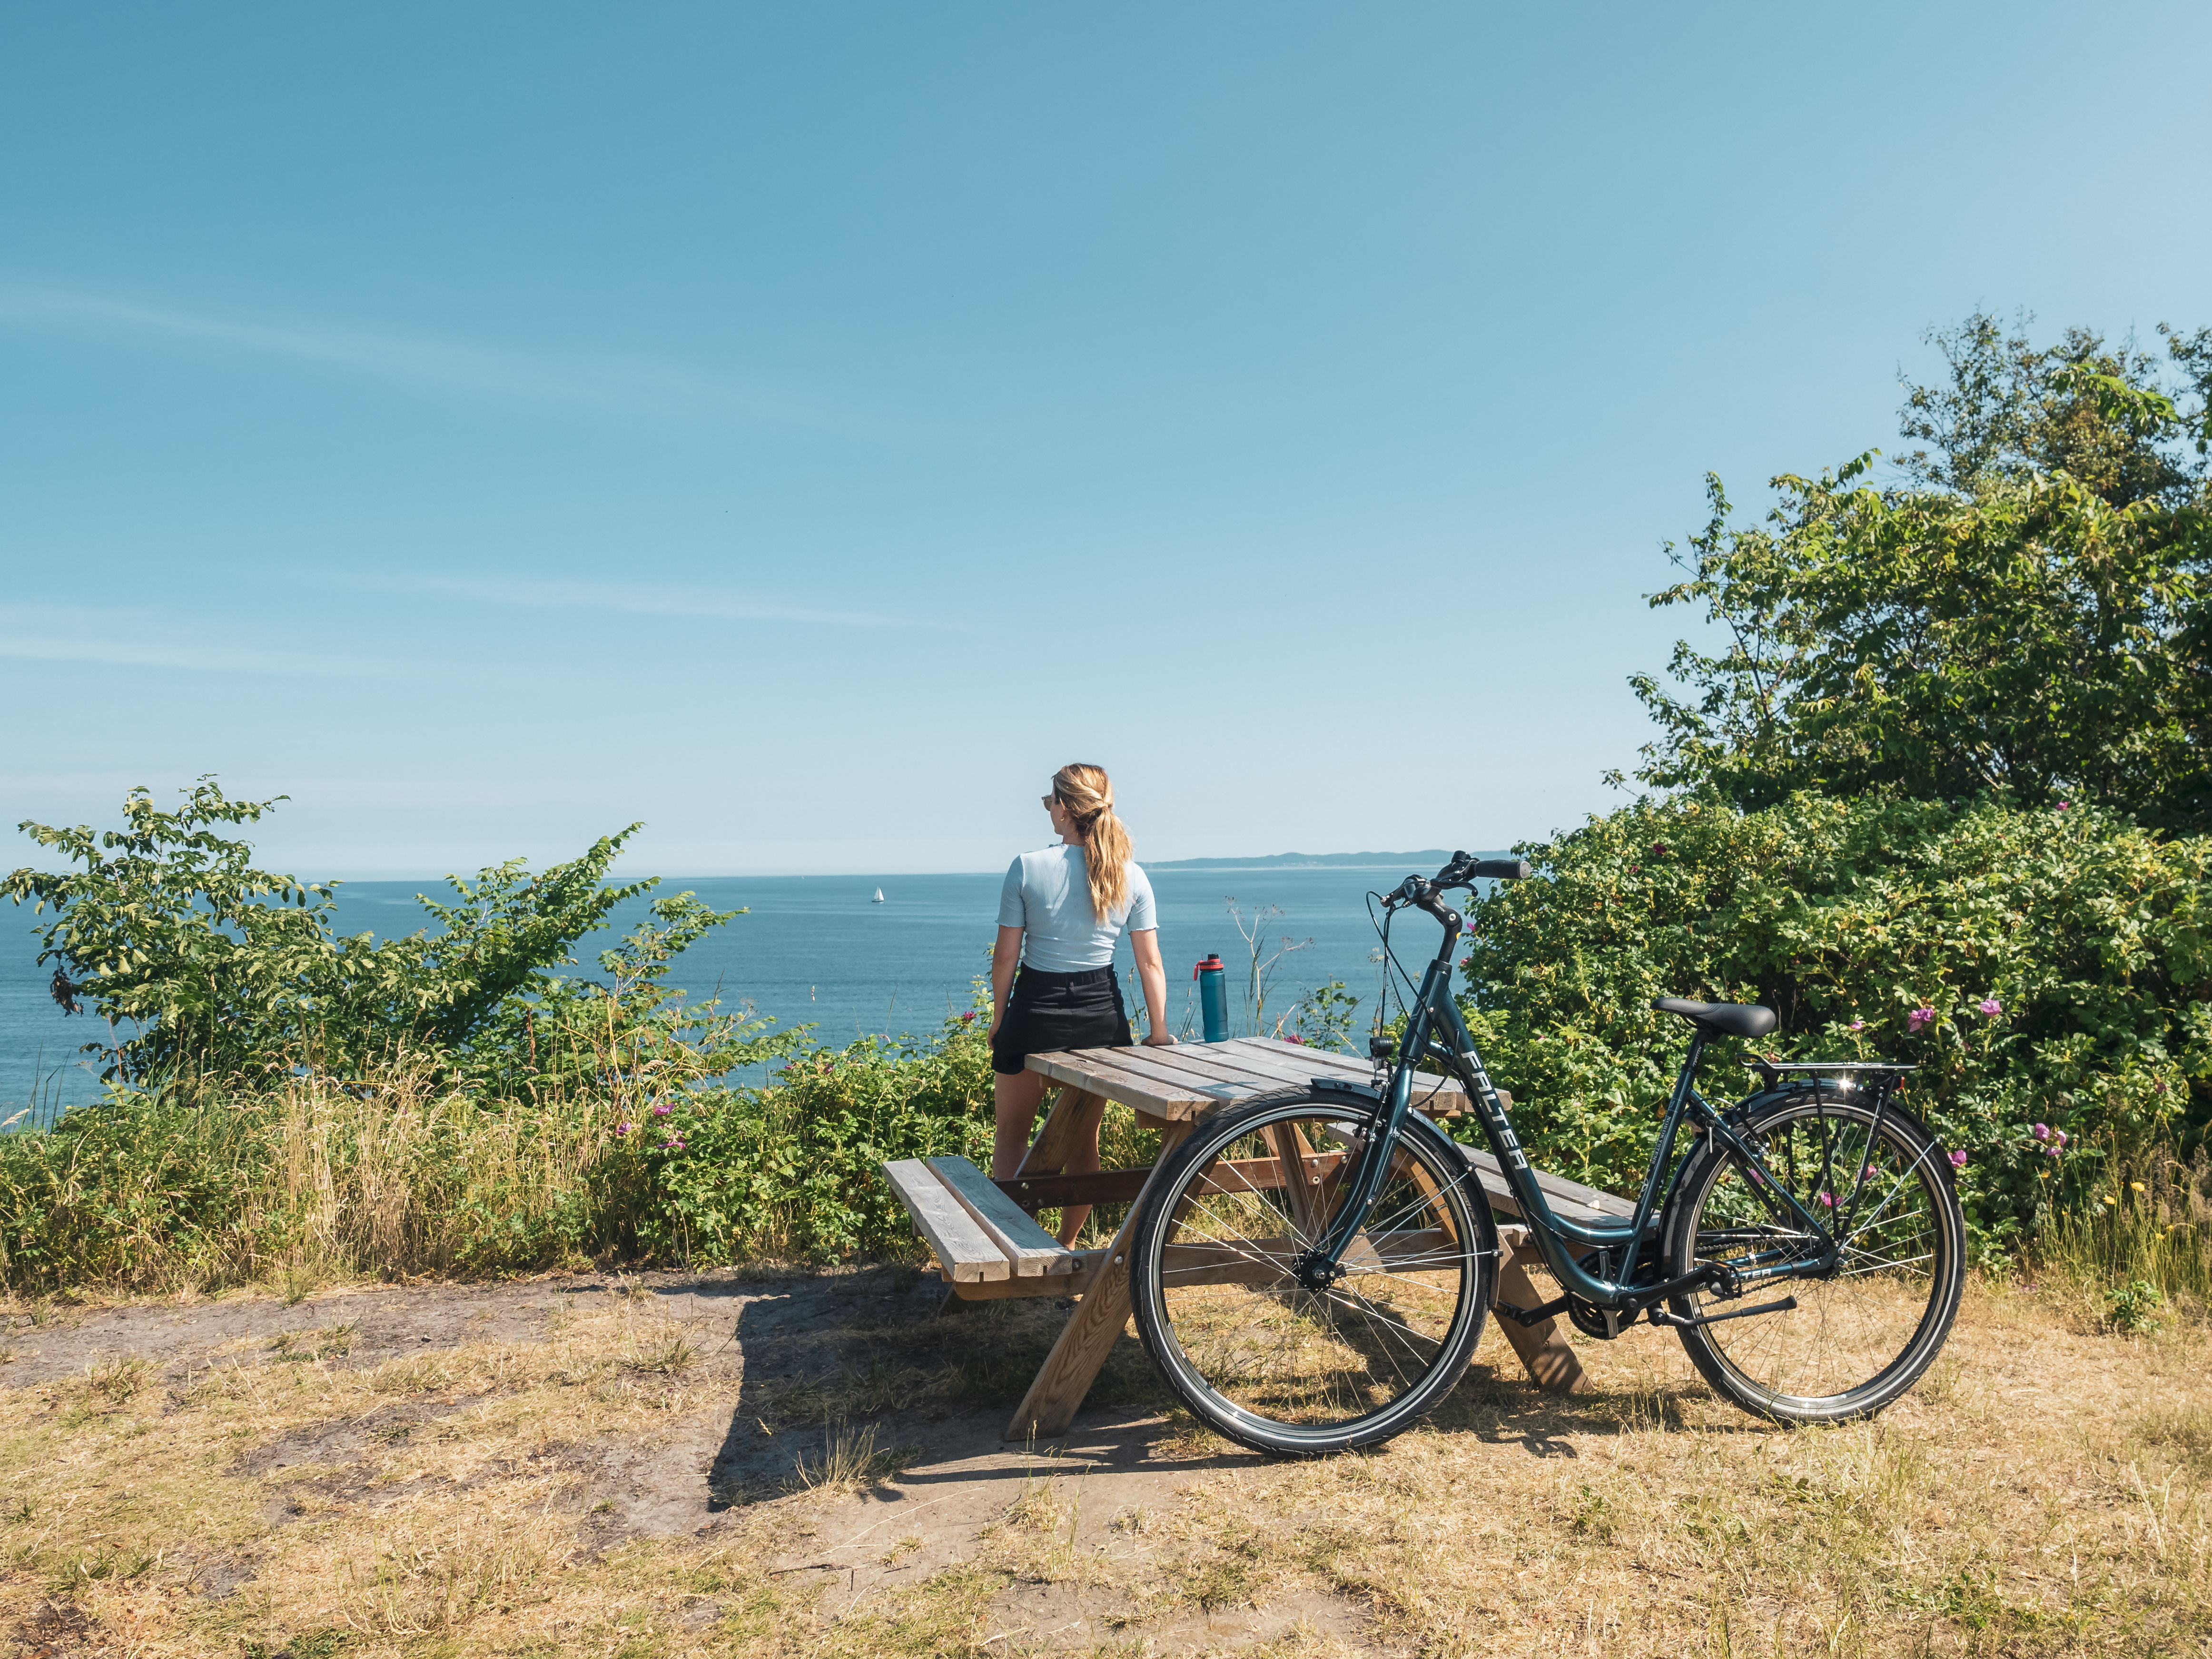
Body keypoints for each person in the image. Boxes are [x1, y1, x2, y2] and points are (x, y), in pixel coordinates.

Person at [989, 763, 1175, 1244]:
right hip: (1099, 1015)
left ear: (1067, 807)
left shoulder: (1027, 867)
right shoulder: (1130, 875)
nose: (1048, 809)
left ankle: (1011, 1243)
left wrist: (998, 1019)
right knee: (1081, 1141)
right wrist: (1158, 1034)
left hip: (1034, 1010)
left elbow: (1006, 956)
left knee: (1012, 1133)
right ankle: (1068, 1243)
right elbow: (1150, 964)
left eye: (1050, 801)